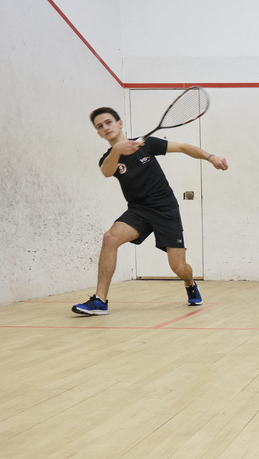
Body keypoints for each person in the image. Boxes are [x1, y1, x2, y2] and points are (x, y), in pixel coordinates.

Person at [71, 106, 228, 316]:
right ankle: (100, 301)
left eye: (108, 122)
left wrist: (210, 157)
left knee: (178, 267)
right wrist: (117, 150)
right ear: (98, 133)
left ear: (119, 123)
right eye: (100, 126)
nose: (105, 127)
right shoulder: (109, 158)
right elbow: (106, 172)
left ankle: (190, 284)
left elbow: (182, 147)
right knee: (110, 238)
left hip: (165, 209)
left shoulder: (146, 144)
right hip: (138, 211)